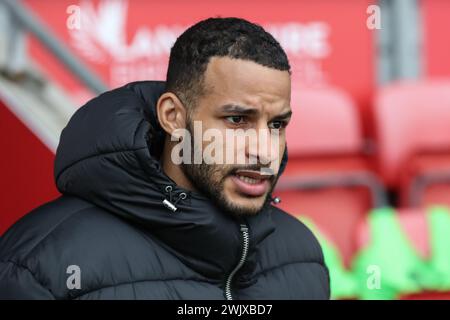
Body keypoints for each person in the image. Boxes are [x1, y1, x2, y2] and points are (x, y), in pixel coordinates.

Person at [0, 17, 329, 299]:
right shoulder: (38, 266)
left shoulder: (303, 254)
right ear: (172, 116)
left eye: (276, 124)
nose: (264, 151)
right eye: (237, 120)